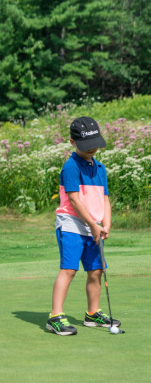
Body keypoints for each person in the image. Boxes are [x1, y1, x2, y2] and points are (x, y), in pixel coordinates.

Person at [47, 116, 118, 336]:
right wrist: (92, 225)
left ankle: (92, 313)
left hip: (94, 225)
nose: (92, 149)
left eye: (95, 144)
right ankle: (55, 316)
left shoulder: (100, 168)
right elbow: (75, 200)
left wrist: (105, 223)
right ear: (72, 143)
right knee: (68, 270)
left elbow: (105, 198)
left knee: (96, 270)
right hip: (71, 224)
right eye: (87, 146)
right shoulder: (70, 167)